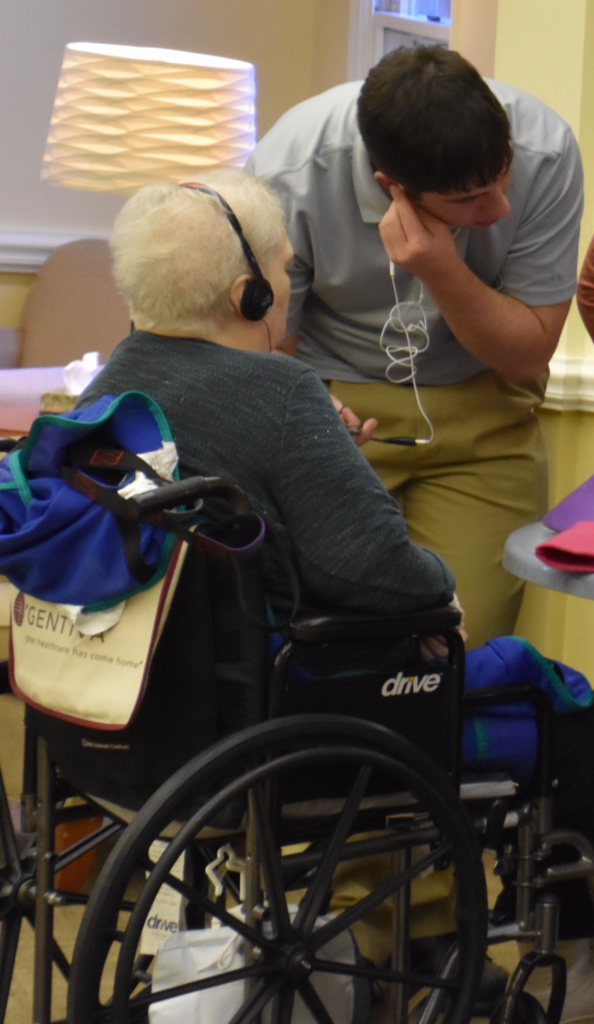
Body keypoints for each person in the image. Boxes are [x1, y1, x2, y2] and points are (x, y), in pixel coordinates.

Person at [78, 173, 594, 1020]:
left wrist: (324, 460)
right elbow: (387, 579)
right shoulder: (281, 395)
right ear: (248, 291)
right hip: (289, 717)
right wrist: (437, 590)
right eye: (284, 269)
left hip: (133, 714)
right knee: (555, 699)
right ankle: (570, 952)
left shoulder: (109, 392)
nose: (287, 283)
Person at [245, 46, 584, 649]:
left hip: (485, 419)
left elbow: (529, 354)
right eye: (467, 199)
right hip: (338, 415)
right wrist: (317, 421)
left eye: (501, 175)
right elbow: (268, 352)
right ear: (391, 186)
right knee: (332, 649)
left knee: (456, 655)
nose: (500, 207)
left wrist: (440, 266)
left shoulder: (547, 150)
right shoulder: (287, 173)